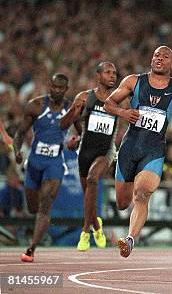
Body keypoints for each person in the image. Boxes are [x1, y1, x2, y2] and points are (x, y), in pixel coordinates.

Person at [104, 46, 172, 258]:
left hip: (154, 150)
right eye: (156, 55)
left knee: (142, 194)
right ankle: (130, 229)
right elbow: (109, 103)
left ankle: (130, 238)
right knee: (122, 202)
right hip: (129, 147)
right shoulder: (133, 82)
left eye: (165, 57)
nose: (159, 59)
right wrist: (123, 112)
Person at [13, 73, 77, 262]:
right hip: (34, 162)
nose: (56, 90)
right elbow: (19, 133)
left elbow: (80, 134)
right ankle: (34, 232)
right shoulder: (36, 105)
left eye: (60, 88)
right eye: (54, 87)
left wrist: (75, 142)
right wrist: (17, 151)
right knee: (33, 208)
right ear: (50, 86)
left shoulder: (71, 109)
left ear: (66, 89)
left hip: (55, 162)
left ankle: (31, 248)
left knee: (47, 201)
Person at [60, 62, 120, 251]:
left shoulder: (120, 98)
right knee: (89, 193)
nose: (112, 76)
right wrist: (75, 132)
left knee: (93, 179)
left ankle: (85, 232)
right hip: (85, 150)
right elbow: (65, 123)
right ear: (98, 75)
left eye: (114, 73)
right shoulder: (85, 97)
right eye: (108, 72)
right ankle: (96, 224)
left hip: (106, 150)